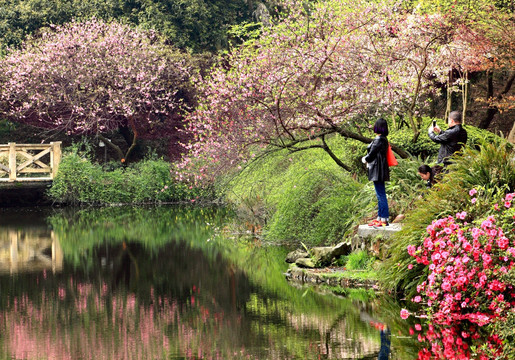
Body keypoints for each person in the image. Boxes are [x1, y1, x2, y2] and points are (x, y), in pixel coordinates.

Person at [362, 118, 390, 227]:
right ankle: (381, 216)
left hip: (377, 170)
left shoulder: (379, 140)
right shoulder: (383, 139)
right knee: (380, 193)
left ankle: (384, 218)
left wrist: (365, 159)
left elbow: (371, 154)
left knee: (380, 194)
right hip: (380, 169)